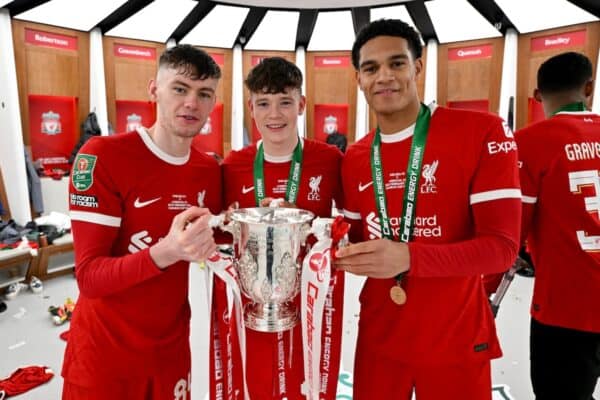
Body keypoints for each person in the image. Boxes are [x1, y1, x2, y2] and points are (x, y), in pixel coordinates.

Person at [334, 19, 521, 399]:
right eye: (371, 68)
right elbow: (355, 238)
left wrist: (407, 257)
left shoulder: (480, 131)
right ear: (359, 79)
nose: (384, 76)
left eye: (397, 63)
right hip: (380, 339)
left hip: (454, 338)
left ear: (417, 67)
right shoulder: (355, 156)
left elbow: (501, 248)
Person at [63, 44, 222, 399]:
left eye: (204, 94)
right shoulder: (103, 156)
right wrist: (166, 252)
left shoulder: (208, 170)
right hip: (104, 359)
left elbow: (219, 241)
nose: (191, 103)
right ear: (154, 89)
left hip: (171, 352)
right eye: (180, 88)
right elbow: (89, 277)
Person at [220, 57, 344, 399]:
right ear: (251, 107)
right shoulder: (234, 165)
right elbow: (220, 232)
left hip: (312, 297)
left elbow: (348, 226)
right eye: (264, 103)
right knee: (256, 382)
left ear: (301, 104)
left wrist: (305, 223)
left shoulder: (329, 159)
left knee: (309, 381)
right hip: (254, 299)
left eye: (285, 102)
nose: (274, 114)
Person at [515, 51, 600, 400]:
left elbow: (511, 231)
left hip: (567, 307)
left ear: (537, 96)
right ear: (589, 87)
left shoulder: (530, 142)